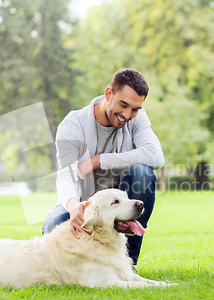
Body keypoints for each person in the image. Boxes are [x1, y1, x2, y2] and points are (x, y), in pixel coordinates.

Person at [42, 69, 164, 266]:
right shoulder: (73, 124)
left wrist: (99, 160)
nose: (127, 115)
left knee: (143, 173)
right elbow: (66, 176)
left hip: (118, 204)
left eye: (134, 109)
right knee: (53, 226)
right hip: (83, 202)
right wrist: (74, 207)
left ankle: (127, 265)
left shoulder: (137, 118)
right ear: (108, 94)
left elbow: (156, 156)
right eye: (123, 105)